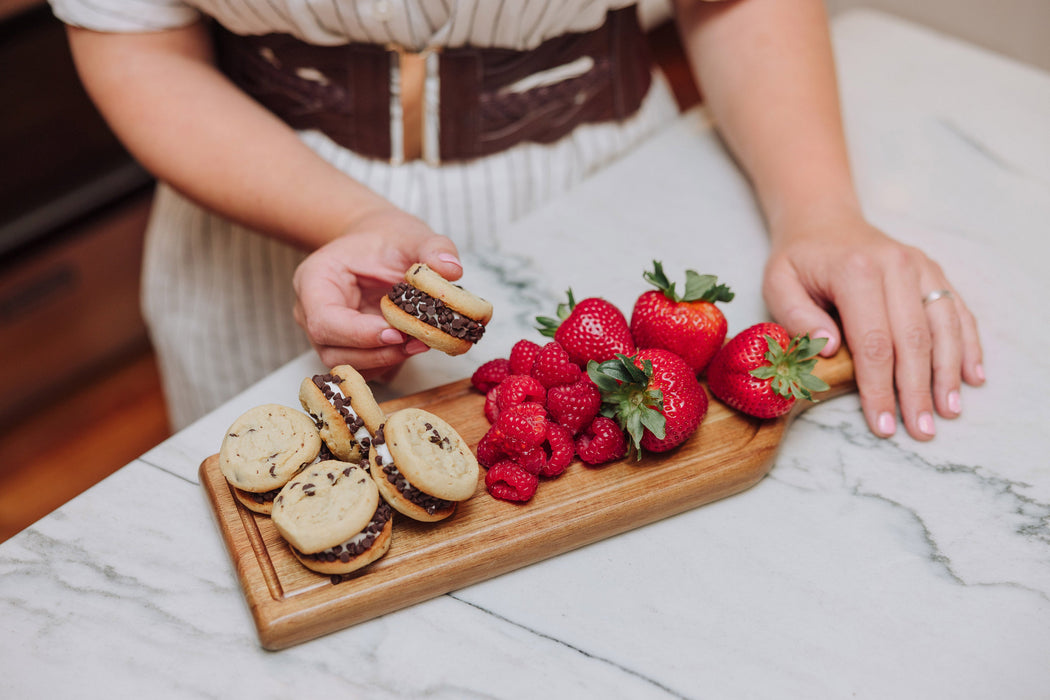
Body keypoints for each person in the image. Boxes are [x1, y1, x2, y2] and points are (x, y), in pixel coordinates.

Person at [51, 0, 982, 441]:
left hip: (614, 191)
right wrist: (347, 214)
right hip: (264, 208)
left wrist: (819, 209)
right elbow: (137, 40)